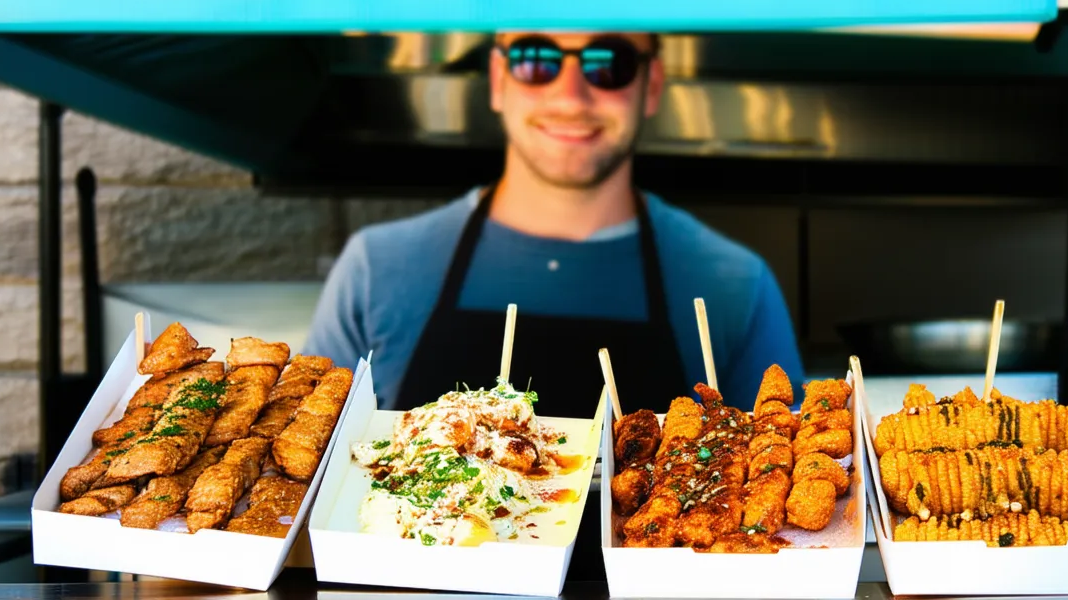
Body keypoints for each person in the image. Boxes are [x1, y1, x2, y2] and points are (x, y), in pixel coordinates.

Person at [304, 31, 804, 416]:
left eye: (608, 62)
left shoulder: (735, 284)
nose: (570, 98)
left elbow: (787, 512)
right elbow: (303, 488)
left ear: (650, 85)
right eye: (535, 58)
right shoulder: (377, 270)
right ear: (499, 78)